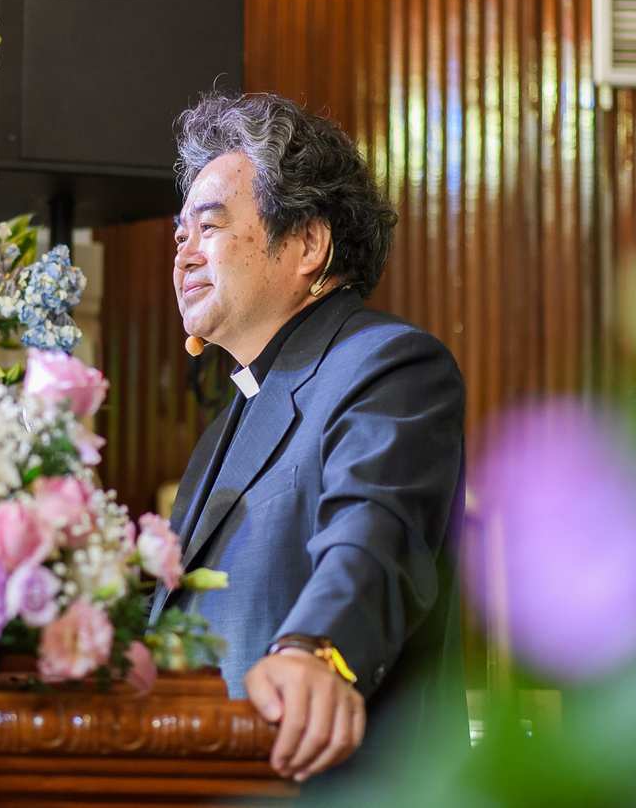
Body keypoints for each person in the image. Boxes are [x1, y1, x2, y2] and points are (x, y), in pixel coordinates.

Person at [152, 92, 467, 785]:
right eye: (179, 235)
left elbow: (373, 537)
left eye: (209, 227)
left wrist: (314, 651)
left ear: (307, 245)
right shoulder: (228, 422)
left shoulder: (387, 364)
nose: (183, 253)